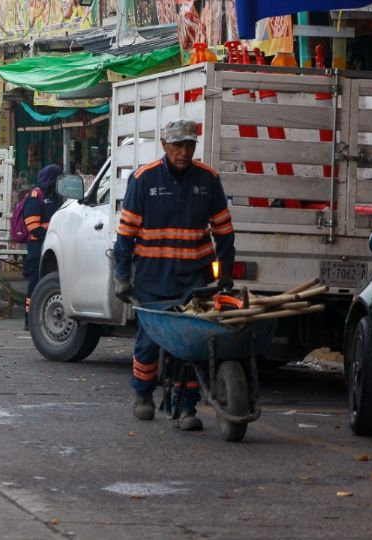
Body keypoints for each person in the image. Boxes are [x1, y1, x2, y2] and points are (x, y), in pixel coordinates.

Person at [112, 119, 235, 431]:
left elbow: (223, 231)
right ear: (165, 146)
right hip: (153, 279)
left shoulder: (208, 179)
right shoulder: (144, 179)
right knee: (149, 343)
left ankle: (185, 408)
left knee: (191, 344)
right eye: (177, 145)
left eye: (189, 145)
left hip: (194, 280)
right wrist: (122, 275)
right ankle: (143, 395)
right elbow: (125, 234)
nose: (183, 152)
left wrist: (226, 276)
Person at [22, 164, 64, 330]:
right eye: (57, 178)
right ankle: (29, 319)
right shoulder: (36, 195)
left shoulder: (55, 196)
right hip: (37, 247)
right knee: (35, 283)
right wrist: (50, 237)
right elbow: (32, 225)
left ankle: (39, 318)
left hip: (50, 248)